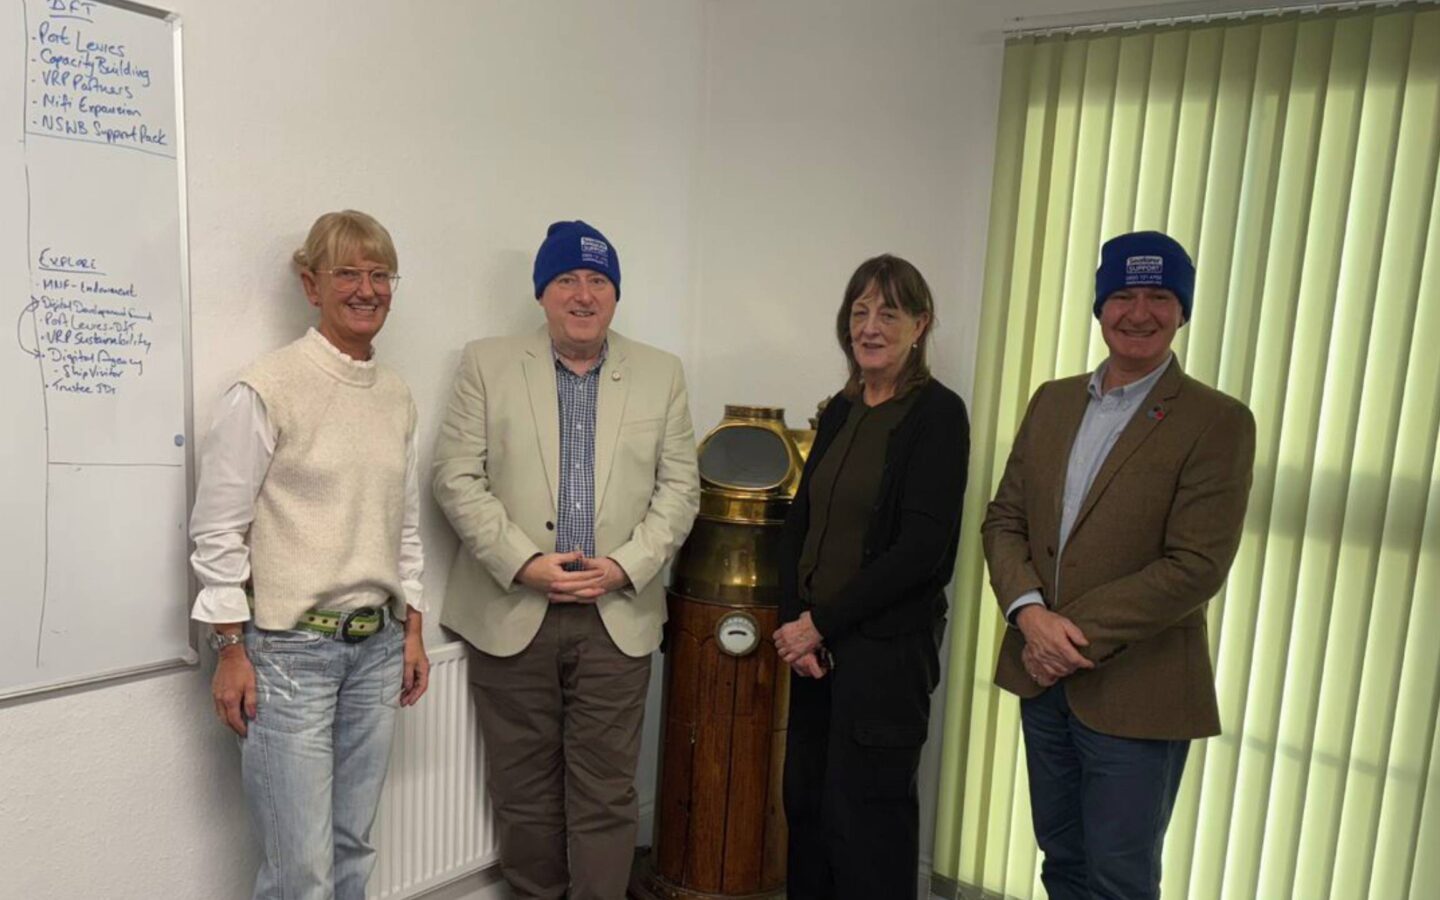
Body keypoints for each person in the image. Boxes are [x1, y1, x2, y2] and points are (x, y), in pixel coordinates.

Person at [982, 230, 1256, 900]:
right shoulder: (1052, 400)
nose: (1139, 312)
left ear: (1182, 309)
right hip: (1042, 683)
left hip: (1139, 691)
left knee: (1119, 881)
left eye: (1159, 296)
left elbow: (1196, 566)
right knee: (1063, 863)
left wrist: (1061, 635)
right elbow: (1004, 519)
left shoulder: (1217, 421)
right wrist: (1029, 614)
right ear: (1100, 308)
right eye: (1124, 295)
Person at [432, 220, 700, 900]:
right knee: (524, 795)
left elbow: (680, 489)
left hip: (617, 613)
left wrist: (625, 565)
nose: (583, 295)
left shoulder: (661, 373)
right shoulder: (487, 364)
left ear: (615, 294)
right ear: (542, 294)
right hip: (513, 610)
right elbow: (455, 477)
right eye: (566, 280)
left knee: (606, 797)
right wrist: (525, 562)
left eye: (598, 281)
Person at [190, 209, 431, 900]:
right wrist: (230, 647)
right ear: (310, 285)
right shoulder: (267, 387)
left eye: (379, 273)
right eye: (347, 272)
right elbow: (217, 531)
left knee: (351, 850)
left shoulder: (396, 396)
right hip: (288, 655)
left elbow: (403, 527)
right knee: (301, 870)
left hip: (377, 648)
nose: (366, 288)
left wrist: (412, 626)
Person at [772, 254, 970, 899]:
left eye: (889, 311)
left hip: (884, 655)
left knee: (867, 825)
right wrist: (791, 624)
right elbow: (799, 524)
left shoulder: (937, 416)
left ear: (921, 324)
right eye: (859, 311)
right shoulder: (839, 410)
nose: (871, 325)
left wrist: (819, 624)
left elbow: (921, 550)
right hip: (814, 648)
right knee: (806, 810)